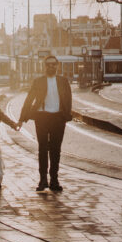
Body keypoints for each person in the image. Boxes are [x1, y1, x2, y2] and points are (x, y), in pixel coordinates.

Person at [19, 55, 73, 192]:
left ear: (57, 65)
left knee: (56, 150)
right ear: (45, 66)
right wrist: (22, 118)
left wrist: (66, 115)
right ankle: (43, 180)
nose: (51, 66)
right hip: (41, 117)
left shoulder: (63, 81)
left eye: (53, 64)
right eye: (48, 64)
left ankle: (54, 179)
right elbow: (29, 99)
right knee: (43, 149)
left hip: (58, 118)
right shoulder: (38, 81)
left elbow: (68, 99)